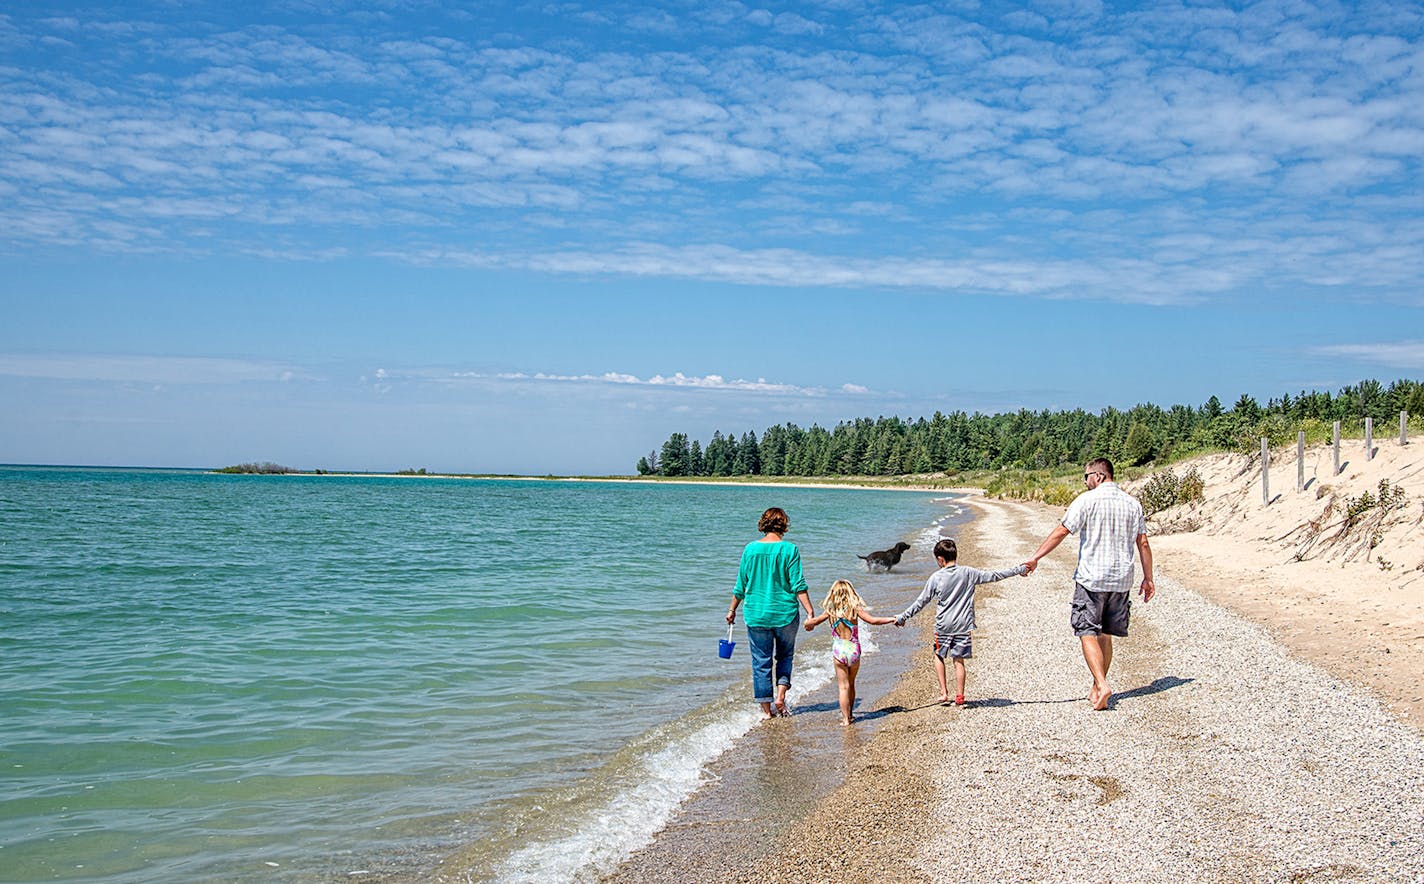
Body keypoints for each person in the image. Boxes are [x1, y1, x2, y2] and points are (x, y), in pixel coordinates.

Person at [1026, 456, 1156, 711]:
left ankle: (1102, 683)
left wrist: (1035, 557)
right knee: (1105, 633)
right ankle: (1098, 686)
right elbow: (1143, 542)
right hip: (1121, 580)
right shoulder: (1133, 503)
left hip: (1092, 578)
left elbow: (1062, 530)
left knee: (1086, 630)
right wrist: (1148, 578)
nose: (1085, 482)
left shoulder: (1087, 500)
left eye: (1086, 477)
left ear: (1098, 476)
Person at [894, 538, 1027, 706]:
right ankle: (960, 696)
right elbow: (995, 575)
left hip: (943, 626)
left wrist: (903, 617)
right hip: (963, 626)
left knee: (938, 655)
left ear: (940, 559)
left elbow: (921, 602)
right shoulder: (968, 573)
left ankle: (944, 692)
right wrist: (1019, 569)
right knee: (959, 660)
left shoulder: (936, 578)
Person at [727, 507, 814, 720]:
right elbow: (798, 584)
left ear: (763, 524)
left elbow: (741, 585)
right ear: (784, 525)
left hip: (756, 615)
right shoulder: (790, 550)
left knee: (761, 661)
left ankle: (767, 712)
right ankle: (781, 696)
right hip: (785, 614)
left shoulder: (750, 550)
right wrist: (810, 612)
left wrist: (732, 610)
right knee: (785, 656)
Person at [804, 579, 896, 725]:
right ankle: (851, 713)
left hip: (839, 650)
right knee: (851, 684)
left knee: (843, 687)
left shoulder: (830, 611)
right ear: (850, 592)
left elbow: (811, 623)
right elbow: (872, 620)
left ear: (833, 594)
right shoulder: (854, 609)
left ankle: (846, 719)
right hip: (854, 649)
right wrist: (892, 619)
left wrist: (808, 622)